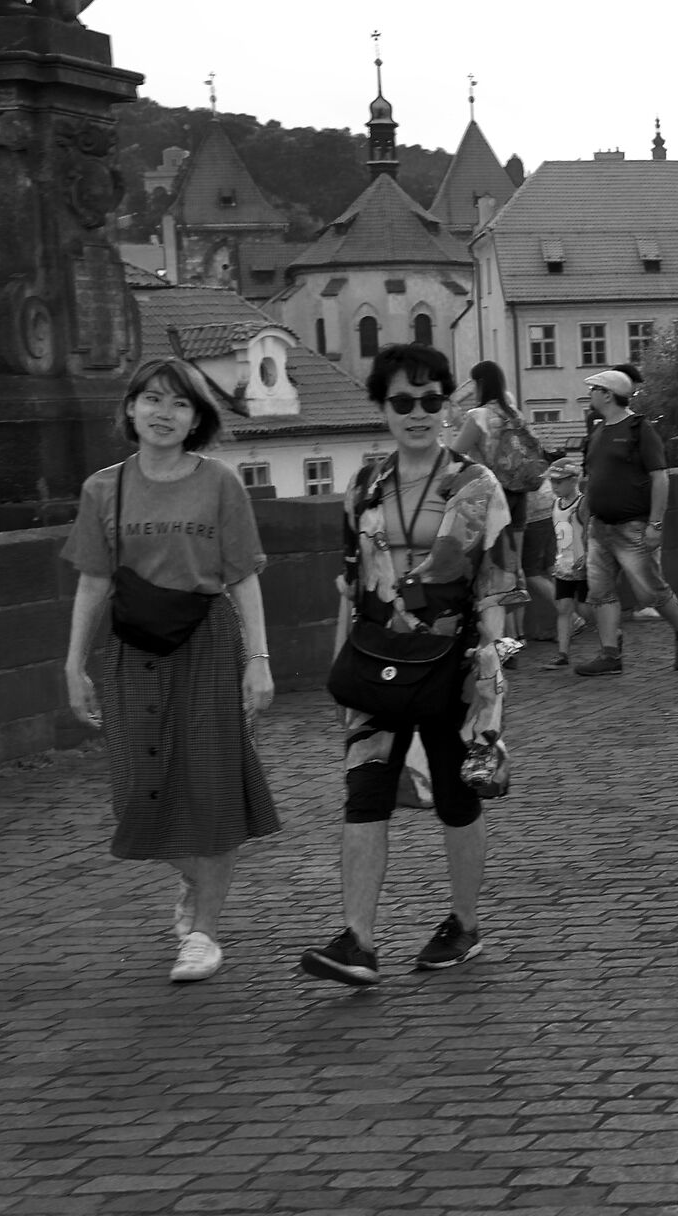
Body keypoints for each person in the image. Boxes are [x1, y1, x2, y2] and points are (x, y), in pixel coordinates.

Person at [300, 343, 515, 986]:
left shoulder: (476, 484)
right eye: (402, 400)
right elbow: (350, 583)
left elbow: (497, 588)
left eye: (429, 399)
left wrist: (491, 687)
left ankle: (464, 926)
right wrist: (341, 672)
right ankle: (358, 942)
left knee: (454, 796)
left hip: (452, 662)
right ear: (383, 407)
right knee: (365, 795)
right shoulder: (365, 484)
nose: (417, 412)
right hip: (374, 661)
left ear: (447, 404)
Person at [62, 357, 280, 983]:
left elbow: (242, 575)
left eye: (180, 404)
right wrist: (74, 664)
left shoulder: (219, 484)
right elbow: (93, 581)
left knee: (210, 787)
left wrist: (259, 661)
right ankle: (192, 875)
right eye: (152, 399)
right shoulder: (104, 488)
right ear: (130, 409)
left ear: (197, 419)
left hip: (207, 645)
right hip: (133, 652)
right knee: (139, 790)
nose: (164, 413)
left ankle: (205, 932)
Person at [571, 369, 678, 676]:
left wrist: (655, 524)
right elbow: (593, 478)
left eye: (594, 390)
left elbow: (660, 477)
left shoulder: (639, 429)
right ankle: (610, 654)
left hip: (632, 526)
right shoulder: (598, 432)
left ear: (607, 394)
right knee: (600, 593)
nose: (590, 395)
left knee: (650, 592)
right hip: (600, 526)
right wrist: (586, 511)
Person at [449, 360, 548, 662]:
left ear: (479, 385)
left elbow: (454, 457)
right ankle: (513, 640)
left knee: (491, 571)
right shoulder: (513, 413)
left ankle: (501, 642)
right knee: (512, 569)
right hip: (519, 496)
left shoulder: (478, 416)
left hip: (493, 500)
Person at [540, 456, 587, 667]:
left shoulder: (582, 504)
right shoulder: (555, 505)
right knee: (563, 608)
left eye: (559, 482)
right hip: (563, 566)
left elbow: (590, 532)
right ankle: (563, 653)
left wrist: (586, 556)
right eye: (552, 482)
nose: (555, 486)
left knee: (586, 609)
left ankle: (613, 633)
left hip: (582, 565)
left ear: (574, 480)